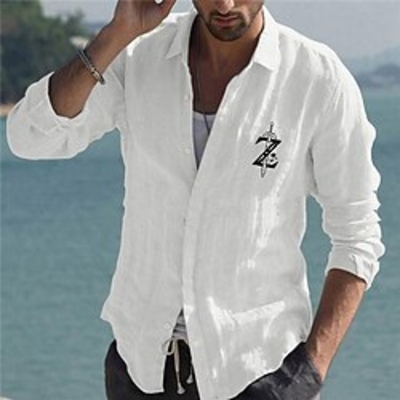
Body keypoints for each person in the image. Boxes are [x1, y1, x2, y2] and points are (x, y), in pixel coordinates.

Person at [6, 0, 384, 399]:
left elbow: (357, 235)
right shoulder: (137, 54)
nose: (224, 4)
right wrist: (116, 34)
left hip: (259, 373)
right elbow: (31, 137)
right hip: (139, 370)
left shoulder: (316, 78)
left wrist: (311, 370)